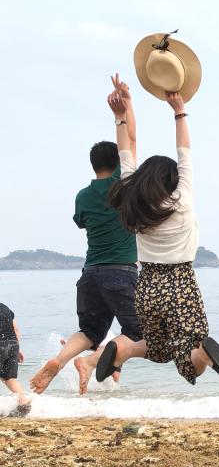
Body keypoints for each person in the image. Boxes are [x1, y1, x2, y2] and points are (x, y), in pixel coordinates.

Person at [100, 81, 219, 383]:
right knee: (190, 358)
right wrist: (179, 111)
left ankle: (122, 350)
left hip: (147, 287)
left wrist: (120, 117)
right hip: (180, 283)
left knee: (159, 349)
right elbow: (184, 152)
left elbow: (125, 154)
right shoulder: (182, 199)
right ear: (172, 180)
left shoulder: (133, 202)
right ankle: (204, 354)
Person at [30, 75, 143, 395]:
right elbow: (132, 142)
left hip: (90, 273)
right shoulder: (122, 184)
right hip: (121, 272)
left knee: (90, 330)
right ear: (118, 162)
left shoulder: (83, 196)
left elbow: (81, 222)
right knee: (138, 330)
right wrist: (126, 106)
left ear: (94, 165)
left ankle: (61, 359)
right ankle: (93, 361)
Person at [1, 303, 31, 415]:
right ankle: (24, 402)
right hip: (13, 344)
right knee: (9, 378)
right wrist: (17, 349)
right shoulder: (5, 308)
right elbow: (16, 329)